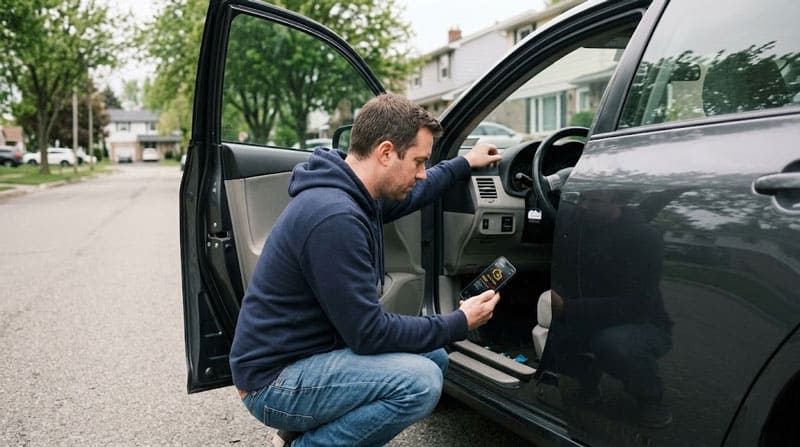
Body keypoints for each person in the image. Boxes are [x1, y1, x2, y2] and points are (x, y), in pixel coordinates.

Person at [230, 92, 503, 446]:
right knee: (420, 382)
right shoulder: (335, 217)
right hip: (272, 381)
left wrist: (465, 164)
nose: (421, 174)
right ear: (386, 152)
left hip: (307, 356)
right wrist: (458, 322)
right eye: (418, 161)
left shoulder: (353, 194)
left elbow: (416, 193)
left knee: (433, 357)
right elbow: (369, 334)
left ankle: (299, 432)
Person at [546, 189, 674, 428]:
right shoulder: (577, 225)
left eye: (594, 201)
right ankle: (588, 383)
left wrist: (566, 307)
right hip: (587, 314)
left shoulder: (643, 238)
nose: (583, 206)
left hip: (643, 323)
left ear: (620, 202)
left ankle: (650, 398)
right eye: (582, 198)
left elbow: (638, 305)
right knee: (543, 332)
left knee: (614, 345)